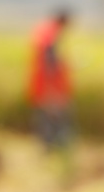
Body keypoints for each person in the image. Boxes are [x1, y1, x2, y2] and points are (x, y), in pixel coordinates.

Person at [27, 8, 73, 151]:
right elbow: (49, 64)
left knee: (45, 119)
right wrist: (52, 91)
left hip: (42, 84)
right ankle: (52, 150)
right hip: (50, 86)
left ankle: (49, 149)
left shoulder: (43, 29)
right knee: (52, 121)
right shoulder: (51, 35)